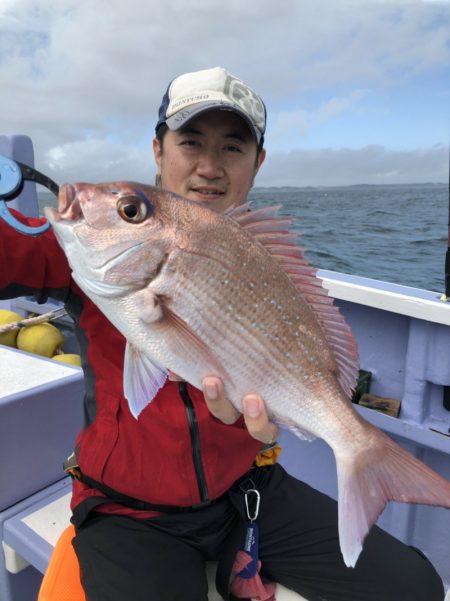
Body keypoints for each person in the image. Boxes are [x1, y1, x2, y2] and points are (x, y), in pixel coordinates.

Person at [0, 67, 445, 601]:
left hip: (246, 490)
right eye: (190, 142)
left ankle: (360, 457)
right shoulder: (81, 252)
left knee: (413, 586)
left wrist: (292, 415)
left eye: (232, 147)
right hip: (127, 509)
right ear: (158, 150)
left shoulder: (265, 261)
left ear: (256, 164)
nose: (209, 167)